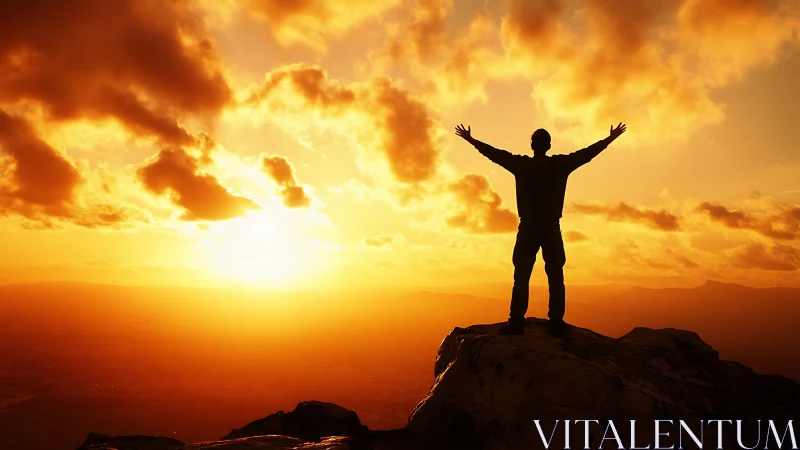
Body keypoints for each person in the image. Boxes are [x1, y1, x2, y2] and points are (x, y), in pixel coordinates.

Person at [455, 122, 627, 334]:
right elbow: (586, 154)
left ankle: (516, 322)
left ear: (532, 145)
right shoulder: (560, 165)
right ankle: (556, 322)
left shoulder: (522, 165)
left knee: (522, 275)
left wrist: (472, 141)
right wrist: (610, 139)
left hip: (528, 227)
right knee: (555, 275)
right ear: (549, 145)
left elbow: (496, 155)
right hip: (551, 227)